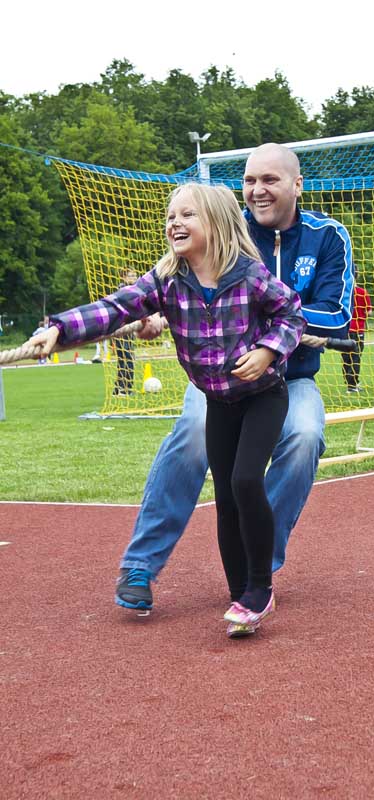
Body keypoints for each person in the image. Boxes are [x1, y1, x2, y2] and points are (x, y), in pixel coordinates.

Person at [29, 182, 305, 638]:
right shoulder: (167, 281)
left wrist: (269, 350)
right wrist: (60, 329)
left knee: (245, 480)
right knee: (226, 499)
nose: (174, 223)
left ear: (216, 224)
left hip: (263, 395)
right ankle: (241, 596)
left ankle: (260, 587)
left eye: (187, 215)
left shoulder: (250, 276)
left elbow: (292, 314)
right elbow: (115, 309)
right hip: (219, 401)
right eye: (171, 216)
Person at [117, 143, 355, 615]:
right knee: (191, 434)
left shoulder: (327, 236)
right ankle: (140, 564)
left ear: (297, 184)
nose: (257, 190)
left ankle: (258, 564)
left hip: (291, 378)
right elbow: (176, 282)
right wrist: (162, 314)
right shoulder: (224, 227)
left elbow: (336, 316)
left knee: (306, 436)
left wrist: (263, 322)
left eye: (269, 180)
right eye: (249, 180)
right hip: (220, 382)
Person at [342, 284, 372, 392]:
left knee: (346, 356)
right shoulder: (362, 292)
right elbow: (369, 312)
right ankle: (352, 385)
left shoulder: (343, 291)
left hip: (344, 329)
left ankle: (349, 382)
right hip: (357, 329)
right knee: (355, 356)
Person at [112, 268, 137, 396]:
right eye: (131, 275)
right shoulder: (123, 290)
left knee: (125, 357)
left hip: (128, 327)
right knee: (126, 357)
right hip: (122, 327)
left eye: (135, 275)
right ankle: (125, 388)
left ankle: (120, 387)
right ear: (124, 278)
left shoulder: (133, 290)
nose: (134, 278)